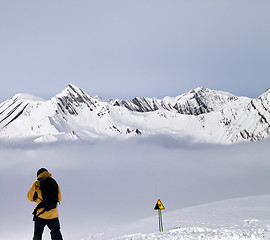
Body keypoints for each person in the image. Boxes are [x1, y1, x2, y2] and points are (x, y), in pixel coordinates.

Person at [28, 168, 63, 240]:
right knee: (56, 233)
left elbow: (30, 198)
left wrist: (38, 199)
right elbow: (59, 199)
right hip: (54, 214)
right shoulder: (54, 182)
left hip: (41, 214)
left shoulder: (36, 183)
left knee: (37, 235)